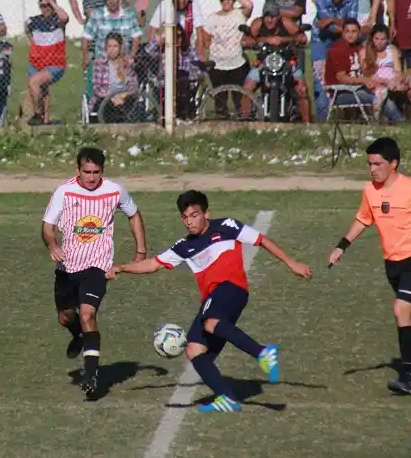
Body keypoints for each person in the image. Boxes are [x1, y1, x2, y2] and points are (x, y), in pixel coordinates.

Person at [107, 190, 312, 412]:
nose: (189, 222)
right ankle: (228, 398)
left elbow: (261, 240)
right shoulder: (184, 246)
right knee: (195, 349)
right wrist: (122, 267)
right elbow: (154, 264)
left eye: (194, 215)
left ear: (206, 213)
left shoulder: (227, 226)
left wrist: (292, 263)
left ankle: (262, 352)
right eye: (185, 217)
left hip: (231, 288)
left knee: (210, 322)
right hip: (214, 298)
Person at [41, 147, 147, 398]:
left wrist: (141, 250)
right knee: (66, 317)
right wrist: (53, 244)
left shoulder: (114, 190)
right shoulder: (64, 191)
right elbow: (47, 227)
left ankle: (91, 375)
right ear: (78, 170)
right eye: (86, 172)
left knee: (88, 314)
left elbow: (133, 215)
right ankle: (77, 333)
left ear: (103, 170)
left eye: (96, 172)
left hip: (97, 266)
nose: (91, 177)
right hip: (68, 267)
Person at [328, 138, 411, 394]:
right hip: (392, 264)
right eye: (369, 164)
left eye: (378, 164)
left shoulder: (409, 189)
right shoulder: (370, 191)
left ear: (393, 164)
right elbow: (364, 220)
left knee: (401, 309)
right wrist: (341, 246)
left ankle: (408, 376)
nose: (372, 169)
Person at [25, 0, 69, 126]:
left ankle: (38, 114)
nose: (45, 8)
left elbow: (65, 17)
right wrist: (34, 44)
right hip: (36, 62)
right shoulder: (34, 21)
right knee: (43, 89)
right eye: (43, 6)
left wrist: (51, 1)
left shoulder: (57, 20)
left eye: (48, 5)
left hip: (55, 63)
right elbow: (27, 30)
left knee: (33, 82)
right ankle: (45, 120)